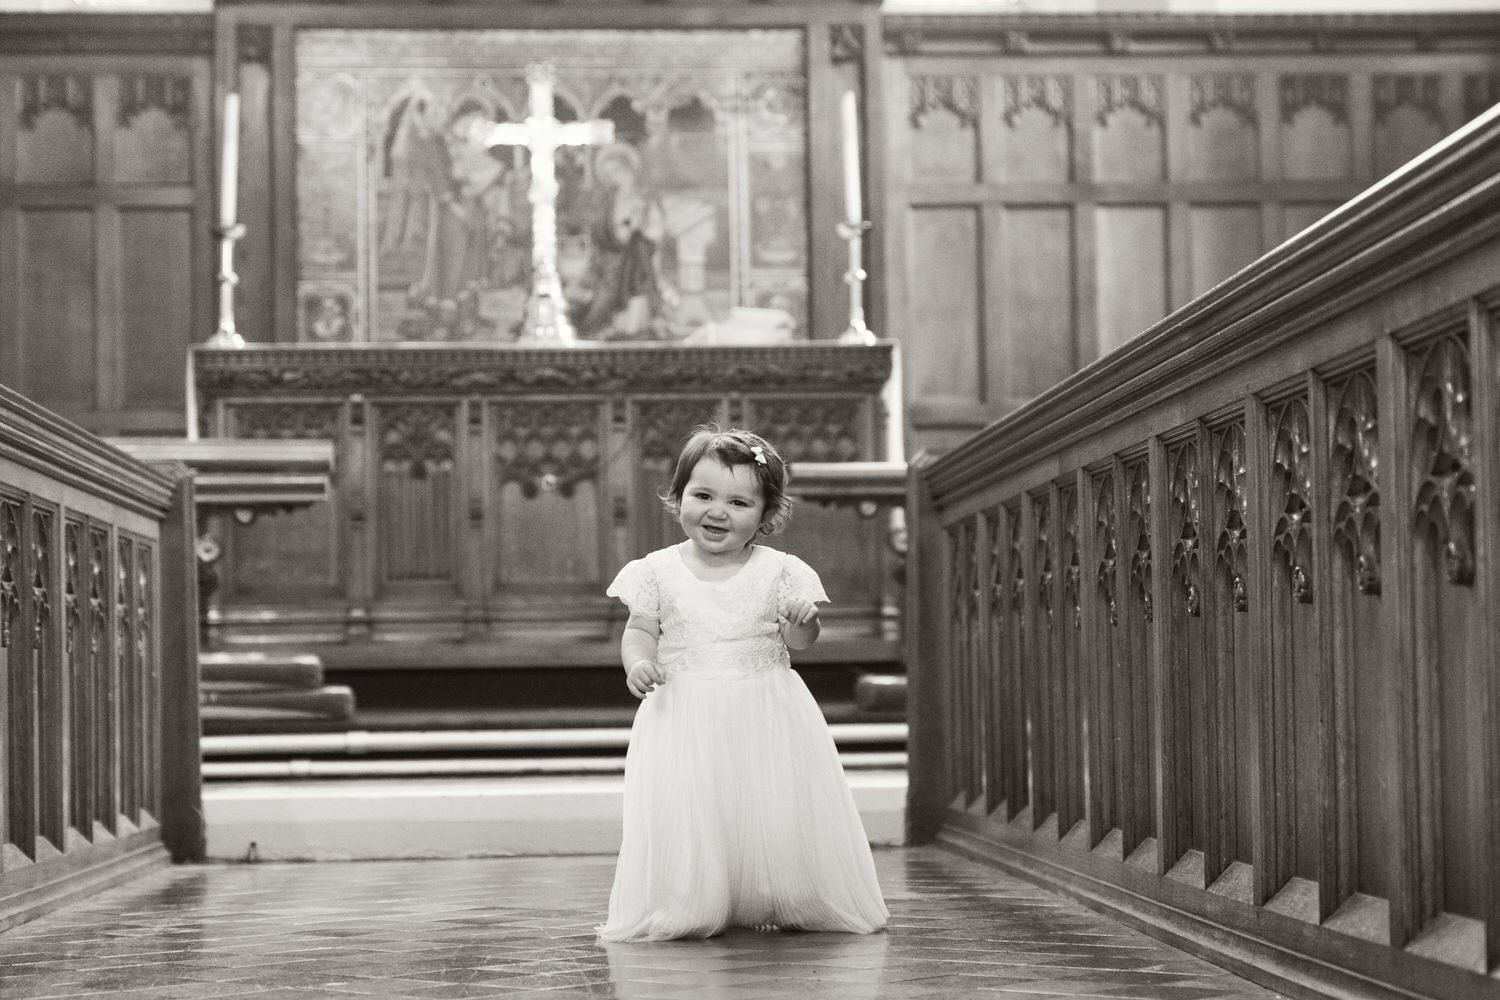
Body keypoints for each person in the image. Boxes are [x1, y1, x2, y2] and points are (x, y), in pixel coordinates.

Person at [597, 426, 889, 942]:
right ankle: (692, 898)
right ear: (679, 495)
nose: (717, 511)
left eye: (738, 501)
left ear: (766, 513)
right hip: (685, 707)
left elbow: (800, 644)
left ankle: (778, 893)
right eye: (703, 495)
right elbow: (640, 630)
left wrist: (802, 620)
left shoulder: (780, 571)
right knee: (694, 808)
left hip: (764, 705)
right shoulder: (657, 571)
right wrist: (637, 663)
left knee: (768, 805)